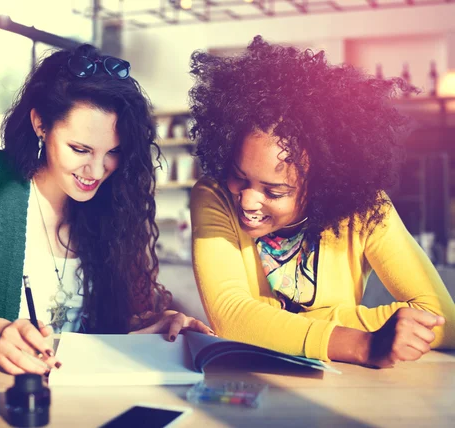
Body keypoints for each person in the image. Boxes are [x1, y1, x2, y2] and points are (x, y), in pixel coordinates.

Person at [0, 44, 212, 376]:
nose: (96, 171)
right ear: (40, 124)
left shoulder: (115, 203)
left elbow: (103, 333)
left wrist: (150, 326)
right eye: (80, 149)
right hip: (2, 394)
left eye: (113, 152)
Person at [188, 36, 455, 368]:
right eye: (239, 177)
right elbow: (233, 318)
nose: (247, 201)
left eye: (274, 192)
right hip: (252, 381)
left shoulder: (367, 210)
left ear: (323, 186)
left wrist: (275, 324)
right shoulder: (214, 195)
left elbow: (443, 321)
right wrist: (361, 343)